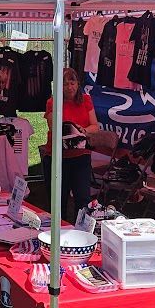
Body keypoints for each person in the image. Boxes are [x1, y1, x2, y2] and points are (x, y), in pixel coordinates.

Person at [40, 67, 100, 218]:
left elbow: (95, 126)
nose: (69, 87)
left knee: (82, 199)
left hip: (81, 157)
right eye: (65, 84)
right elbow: (53, 126)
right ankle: (58, 235)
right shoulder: (52, 102)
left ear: (78, 83)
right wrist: (70, 129)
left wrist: (83, 130)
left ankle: (81, 234)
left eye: (72, 83)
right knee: (58, 201)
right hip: (58, 158)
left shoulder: (86, 100)